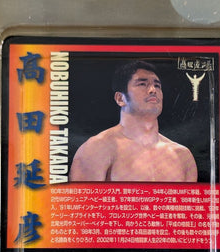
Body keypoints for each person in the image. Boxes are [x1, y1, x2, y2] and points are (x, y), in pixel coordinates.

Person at [69, 61, 197, 182]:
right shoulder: (97, 149)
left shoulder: (182, 156)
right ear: (120, 98)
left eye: (157, 85)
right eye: (142, 84)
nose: (153, 90)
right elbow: (81, 198)